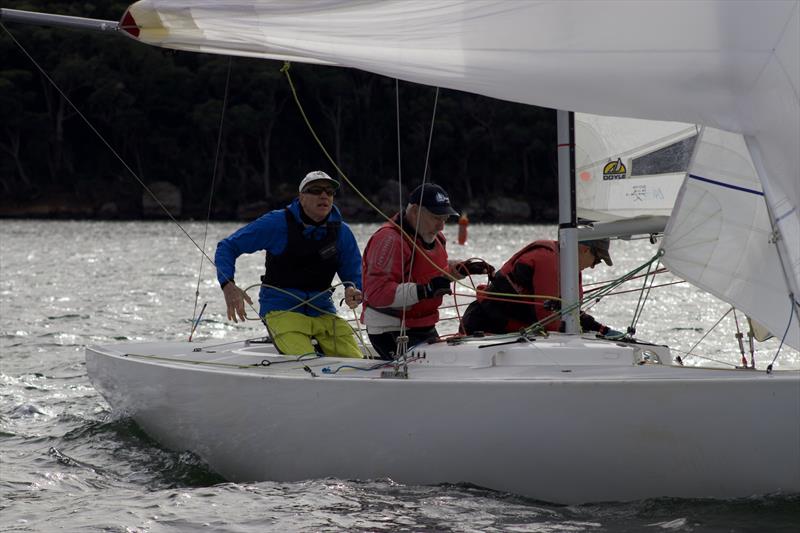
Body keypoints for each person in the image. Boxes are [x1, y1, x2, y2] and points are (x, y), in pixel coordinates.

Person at [215, 170, 364, 358]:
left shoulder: (342, 232)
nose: (324, 195)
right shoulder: (277, 223)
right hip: (282, 309)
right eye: (316, 190)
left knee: (357, 361)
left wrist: (355, 291)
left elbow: (355, 277)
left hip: (322, 310)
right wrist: (228, 285)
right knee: (306, 362)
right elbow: (227, 246)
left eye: (329, 192)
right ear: (301, 197)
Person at [361, 183, 494, 359]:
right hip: (392, 329)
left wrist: (461, 270)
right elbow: (376, 293)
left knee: (452, 361)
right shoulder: (390, 240)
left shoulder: (436, 238)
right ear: (415, 210)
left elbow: (429, 273)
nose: (441, 226)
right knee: (441, 367)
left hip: (423, 325)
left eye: (445, 219)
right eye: (436, 217)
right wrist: (425, 290)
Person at [460, 238, 621, 336]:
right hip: (482, 327)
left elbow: (571, 313)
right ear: (585, 250)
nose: (593, 267)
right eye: (597, 260)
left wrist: (602, 330)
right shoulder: (548, 260)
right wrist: (574, 332)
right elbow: (546, 318)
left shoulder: (570, 269)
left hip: (513, 333)